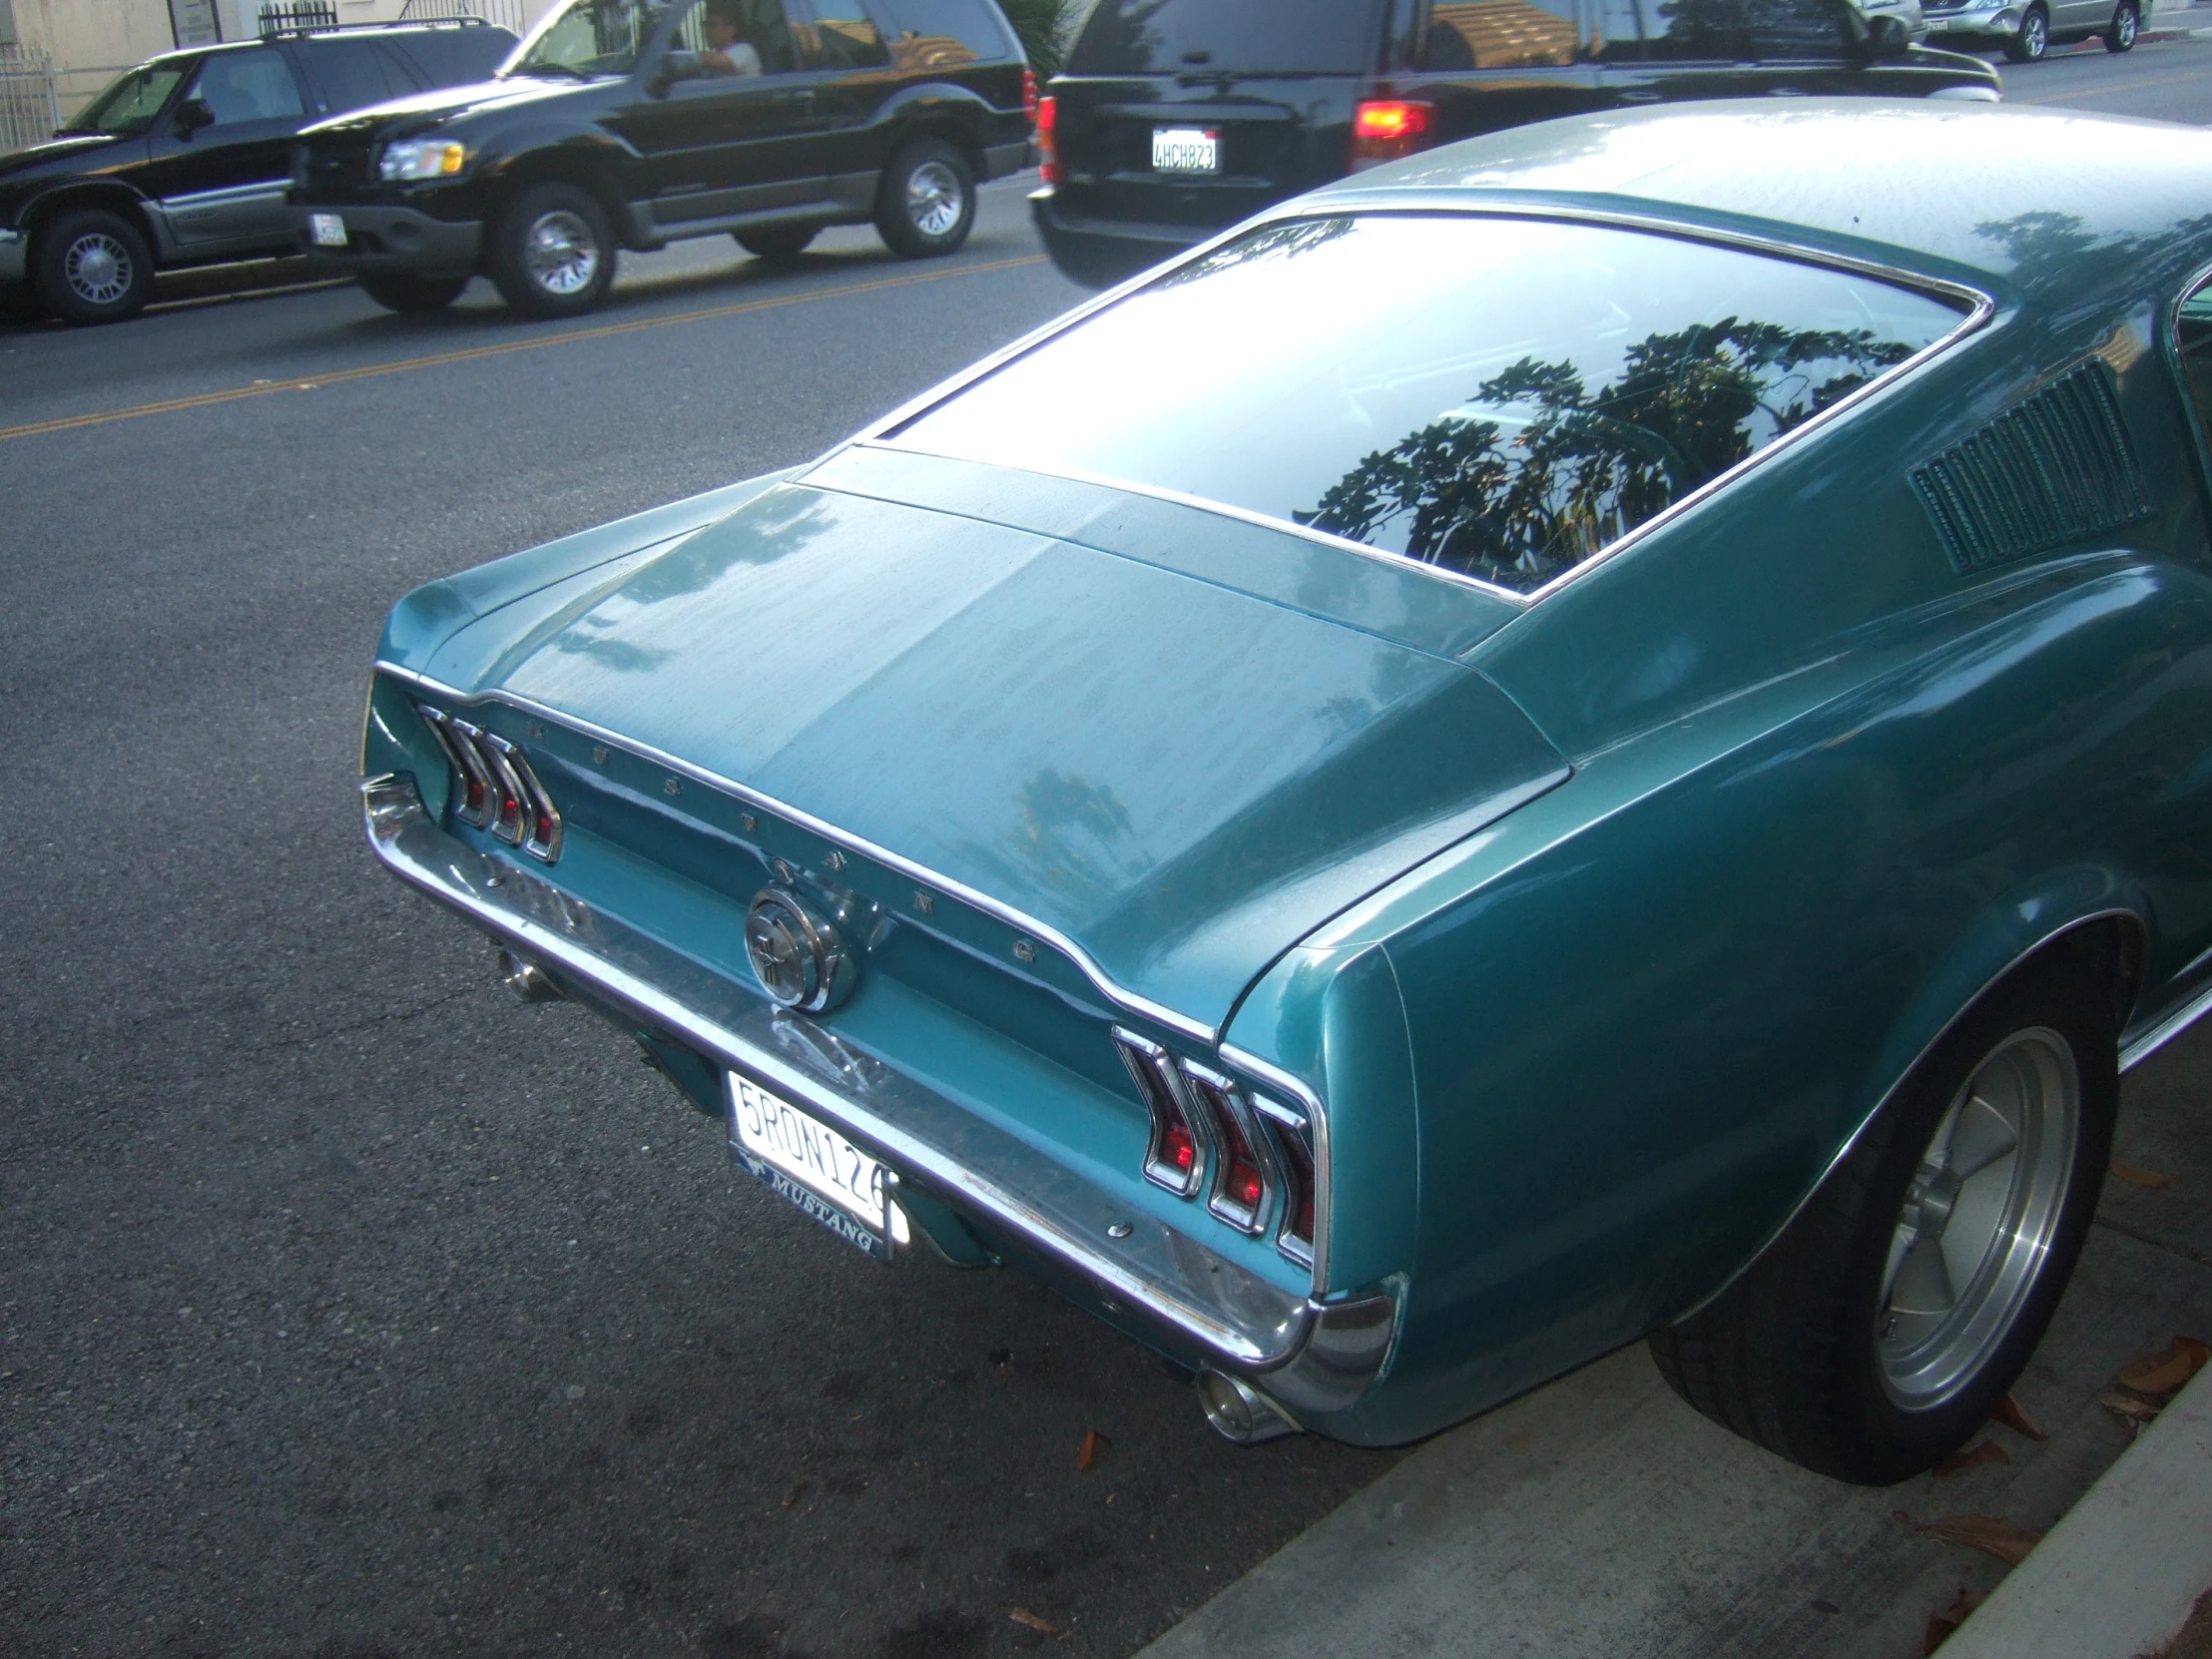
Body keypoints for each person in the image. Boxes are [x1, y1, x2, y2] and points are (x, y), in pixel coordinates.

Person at [700, 1, 763, 75]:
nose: (706, 30)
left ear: (730, 30)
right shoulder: (716, 57)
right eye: (705, 24)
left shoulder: (745, 50)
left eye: (712, 25)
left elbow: (722, 62)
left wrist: (690, 58)